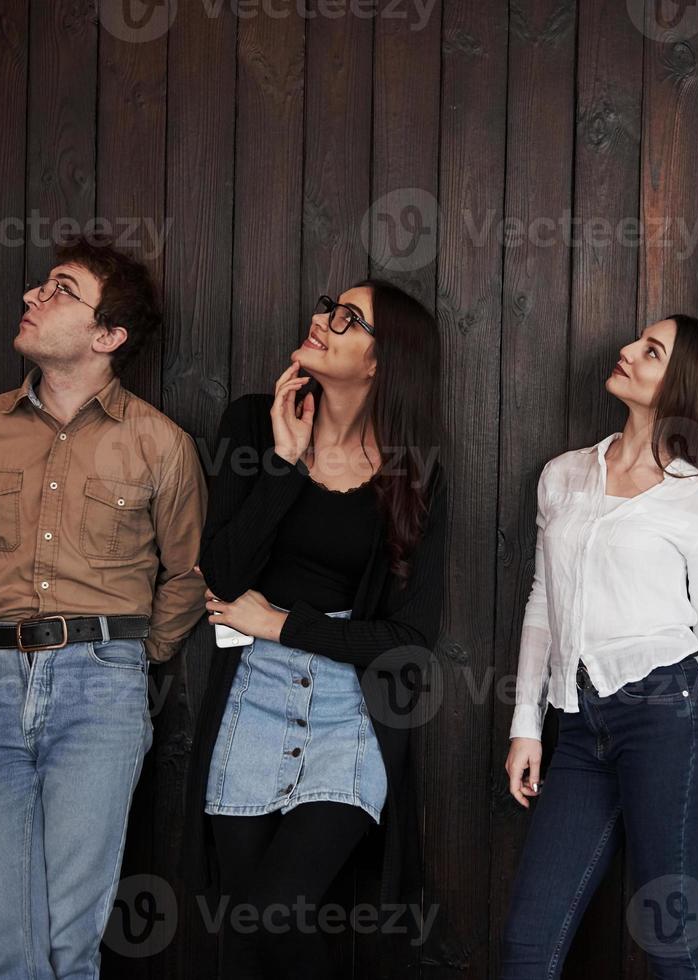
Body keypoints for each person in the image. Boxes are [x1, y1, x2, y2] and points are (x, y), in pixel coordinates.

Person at [0, 234, 207, 978]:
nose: (31, 296)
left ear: (107, 336)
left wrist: (123, 658)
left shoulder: (160, 444)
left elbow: (184, 576)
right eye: (40, 286)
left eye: (59, 289)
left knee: (67, 945)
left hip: (100, 691)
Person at [180, 280, 448, 979]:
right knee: (245, 929)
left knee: (278, 910)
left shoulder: (411, 472)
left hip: (346, 704)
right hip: (252, 697)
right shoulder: (251, 422)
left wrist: (280, 623)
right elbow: (221, 570)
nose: (322, 320)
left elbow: (408, 637)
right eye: (329, 306)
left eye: (348, 320)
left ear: (380, 364)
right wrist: (283, 462)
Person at [500, 314, 698, 979]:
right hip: (580, 728)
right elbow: (542, 602)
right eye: (636, 342)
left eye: (651, 351)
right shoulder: (562, 475)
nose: (626, 351)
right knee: (526, 948)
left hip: (672, 721)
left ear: (684, 383)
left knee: (669, 945)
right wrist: (527, 726)